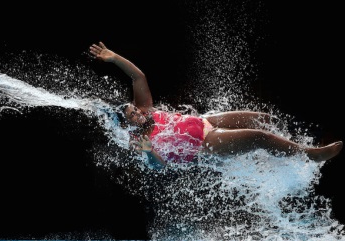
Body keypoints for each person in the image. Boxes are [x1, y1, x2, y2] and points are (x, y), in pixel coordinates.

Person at [89, 41, 343, 168]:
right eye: (132, 116)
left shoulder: (147, 111)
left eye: (135, 109)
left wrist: (114, 58)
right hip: (207, 144)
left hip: (207, 122)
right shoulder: (138, 141)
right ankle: (310, 155)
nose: (138, 114)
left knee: (265, 120)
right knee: (260, 136)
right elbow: (159, 166)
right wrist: (147, 151)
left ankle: (283, 158)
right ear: (128, 126)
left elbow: (138, 77)